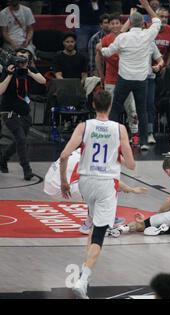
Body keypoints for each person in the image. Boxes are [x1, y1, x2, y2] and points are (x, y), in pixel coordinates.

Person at [59, 90, 136, 299]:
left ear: (93, 105)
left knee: (93, 226)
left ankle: (85, 271)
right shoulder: (119, 129)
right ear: (110, 106)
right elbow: (131, 165)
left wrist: (64, 182)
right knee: (100, 235)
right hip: (106, 184)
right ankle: (82, 282)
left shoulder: (84, 126)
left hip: (85, 183)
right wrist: (121, 153)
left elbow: (64, 155)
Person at [99, 0, 161, 151]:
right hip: (141, 80)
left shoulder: (122, 38)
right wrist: (146, 6)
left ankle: (111, 139)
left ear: (130, 23)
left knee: (115, 109)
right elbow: (157, 20)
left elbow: (107, 53)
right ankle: (144, 142)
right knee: (142, 110)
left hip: (124, 79)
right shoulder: (148, 35)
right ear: (142, 24)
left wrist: (101, 48)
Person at [43, 147, 147, 234]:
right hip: (61, 188)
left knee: (95, 184)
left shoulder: (87, 148)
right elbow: (113, 182)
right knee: (105, 187)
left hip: (50, 183)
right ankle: (90, 224)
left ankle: (104, 216)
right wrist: (132, 189)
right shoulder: (96, 159)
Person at [0, 48, 45, 180]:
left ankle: (3, 158)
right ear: (14, 57)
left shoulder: (29, 70)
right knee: (21, 139)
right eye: (20, 57)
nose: (22, 60)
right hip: (8, 111)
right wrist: (9, 74)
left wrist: (29, 72)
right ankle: (27, 169)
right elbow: (1, 90)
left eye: (25, 58)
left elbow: (42, 81)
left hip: (24, 111)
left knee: (19, 140)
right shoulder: (8, 70)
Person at [96, 12, 139, 145]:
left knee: (131, 108)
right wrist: (101, 75)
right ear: (108, 25)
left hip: (127, 78)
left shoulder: (126, 38)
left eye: (117, 23)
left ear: (121, 24)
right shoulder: (105, 40)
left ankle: (135, 134)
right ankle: (109, 134)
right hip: (110, 79)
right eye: (112, 23)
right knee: (108, 108)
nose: (115, 25)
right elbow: (99, 57)